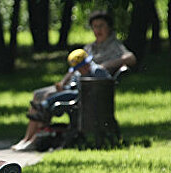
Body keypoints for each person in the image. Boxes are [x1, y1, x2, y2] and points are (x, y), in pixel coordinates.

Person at [12, 10, 136, 152]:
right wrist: (63, 82)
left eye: (101, 26)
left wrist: (107, 65)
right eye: (95, 26)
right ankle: (27, 138)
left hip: (90, 90)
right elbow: (74, 68)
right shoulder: (89, 47)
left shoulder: (114, 46)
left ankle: (34, 139)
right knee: (38, 94)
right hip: (73, 84)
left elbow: (131, 58)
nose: (98, 30)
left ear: (109, 27)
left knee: (46, 96)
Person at [29, 48, 112, 121]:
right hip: (82, 100)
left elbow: (108, 87)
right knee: (67, 94)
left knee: (74, 94)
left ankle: (44, 105)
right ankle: (43, 112)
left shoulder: (97, 71)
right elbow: (73, 87)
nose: (79, 70)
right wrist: (64, 88)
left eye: (80, 68)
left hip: (93, 102)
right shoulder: (78, 74)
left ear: (86, 65)